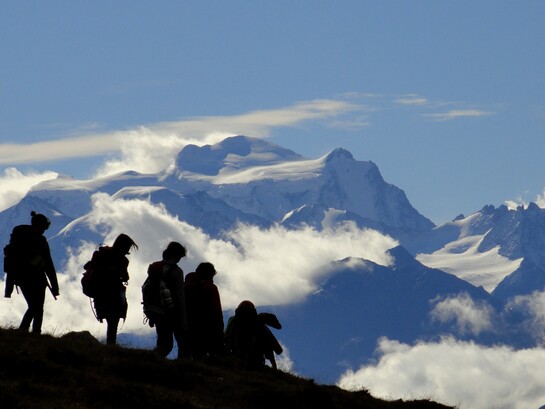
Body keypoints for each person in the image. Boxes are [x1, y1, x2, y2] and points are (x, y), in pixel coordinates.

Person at [3, 211, 60, 334]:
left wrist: (9, 288)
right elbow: (49, 265)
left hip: (22, 279)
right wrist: (55, 286)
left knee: (35, 307)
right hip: (38, 279)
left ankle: (26, 331)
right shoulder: (41, 241)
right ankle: (32, 332)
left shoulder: (20, 238)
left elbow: (12, 263)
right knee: (37, 307)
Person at [89, 233, 137, 345]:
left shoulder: (102, 254)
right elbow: (125, 277)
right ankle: (111, 347)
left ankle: (110, 347)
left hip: (100, 293)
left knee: (109, 320)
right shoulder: (123, 260)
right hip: (114, 295)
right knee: (113, 322)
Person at [145, 241, 188, 358]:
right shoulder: (177, 271)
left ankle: (153, 363)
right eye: (179, 256)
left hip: (154, 309)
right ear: (176, 255)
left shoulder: (155, 268)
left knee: (162, 342)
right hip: (169, 312)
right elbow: (180, 297)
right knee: (170, 345)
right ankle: (150, 360)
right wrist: (183, 319)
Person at [224, 300, 283, 369]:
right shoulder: (258, 322)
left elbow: (226, 337)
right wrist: (273, 364)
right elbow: (268, 341)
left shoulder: (233, 320)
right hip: (255, 361)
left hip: (237, 357)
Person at [184, 262, 224, 358]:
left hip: (187, 325)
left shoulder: (185, 286)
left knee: (187, 353)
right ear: (209, 274)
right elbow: (217, 311)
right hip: (207, 327)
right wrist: (219, 331)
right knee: (203, 356)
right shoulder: (211, 287)